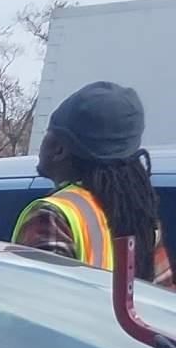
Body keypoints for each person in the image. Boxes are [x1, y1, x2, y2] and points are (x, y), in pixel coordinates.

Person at [13, 80, 172, 285]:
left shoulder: (53, 215)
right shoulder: (141, 219)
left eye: (48, 133)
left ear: (59, 150)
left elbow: (37, 302)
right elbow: (162, 301)